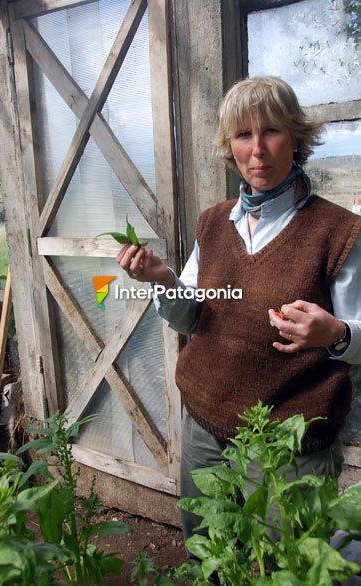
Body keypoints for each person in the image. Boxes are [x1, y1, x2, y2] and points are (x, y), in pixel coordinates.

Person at [116, 76, 361, 547]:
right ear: (229, 147)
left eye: (271, 131)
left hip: (286, 445)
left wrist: (334, 332)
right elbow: (192, 318)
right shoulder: (214, 222)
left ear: (296, 136)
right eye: (243, 135)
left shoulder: (337, 232)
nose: (257, 150)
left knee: (286, 562)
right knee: (208, 552)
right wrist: (165, 281)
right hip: (204, 425)